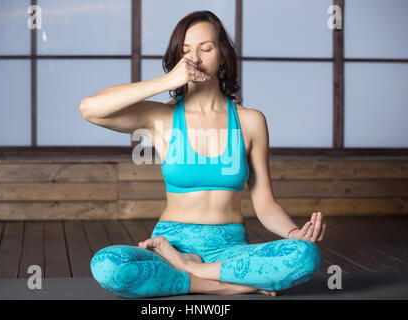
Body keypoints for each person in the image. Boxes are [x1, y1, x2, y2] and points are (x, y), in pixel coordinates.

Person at [80, 10, 326, 299]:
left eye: (205, 48)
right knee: (107, 266)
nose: (194, 58)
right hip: (170, 243)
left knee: (305, 255)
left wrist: (294, 233)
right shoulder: (161, 118)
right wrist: (165, 82)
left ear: (222, 55)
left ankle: (186, 271)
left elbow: (265, 204)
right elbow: (90, 109)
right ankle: (224, 284)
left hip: (230, 249)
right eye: (185, 51)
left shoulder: (250, 121)